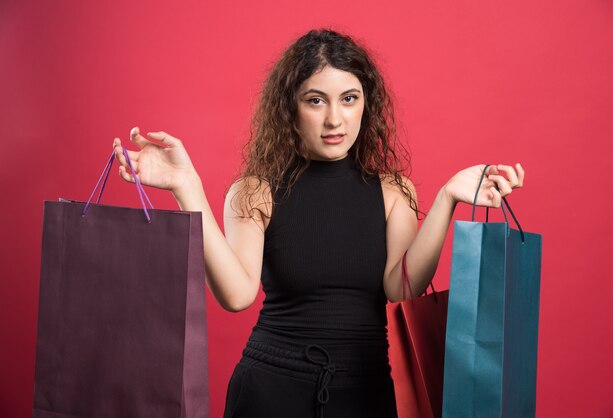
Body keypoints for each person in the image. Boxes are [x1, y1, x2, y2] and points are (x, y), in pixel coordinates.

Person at [112, 29, 524, 418]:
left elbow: (402, 288)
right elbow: (236, 295)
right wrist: (187, 187)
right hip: (270, 391)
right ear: (290, 107)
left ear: (367, 103)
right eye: (315, 100)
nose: (334, 120)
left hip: (367, 393)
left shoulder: (394, 191)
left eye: (348, 98)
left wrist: (448, 197)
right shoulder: (253, 191)